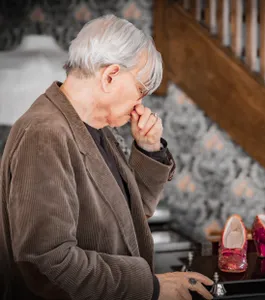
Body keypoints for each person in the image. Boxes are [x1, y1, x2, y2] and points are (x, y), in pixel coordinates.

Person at [0, 15, 213, 300]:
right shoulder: (45, 132)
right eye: (140, 90)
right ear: (110, 75)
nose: (141, 103)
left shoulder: (98, 129)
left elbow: (130, 216)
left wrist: (149, 149)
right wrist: (152, 287)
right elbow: (47, 262)